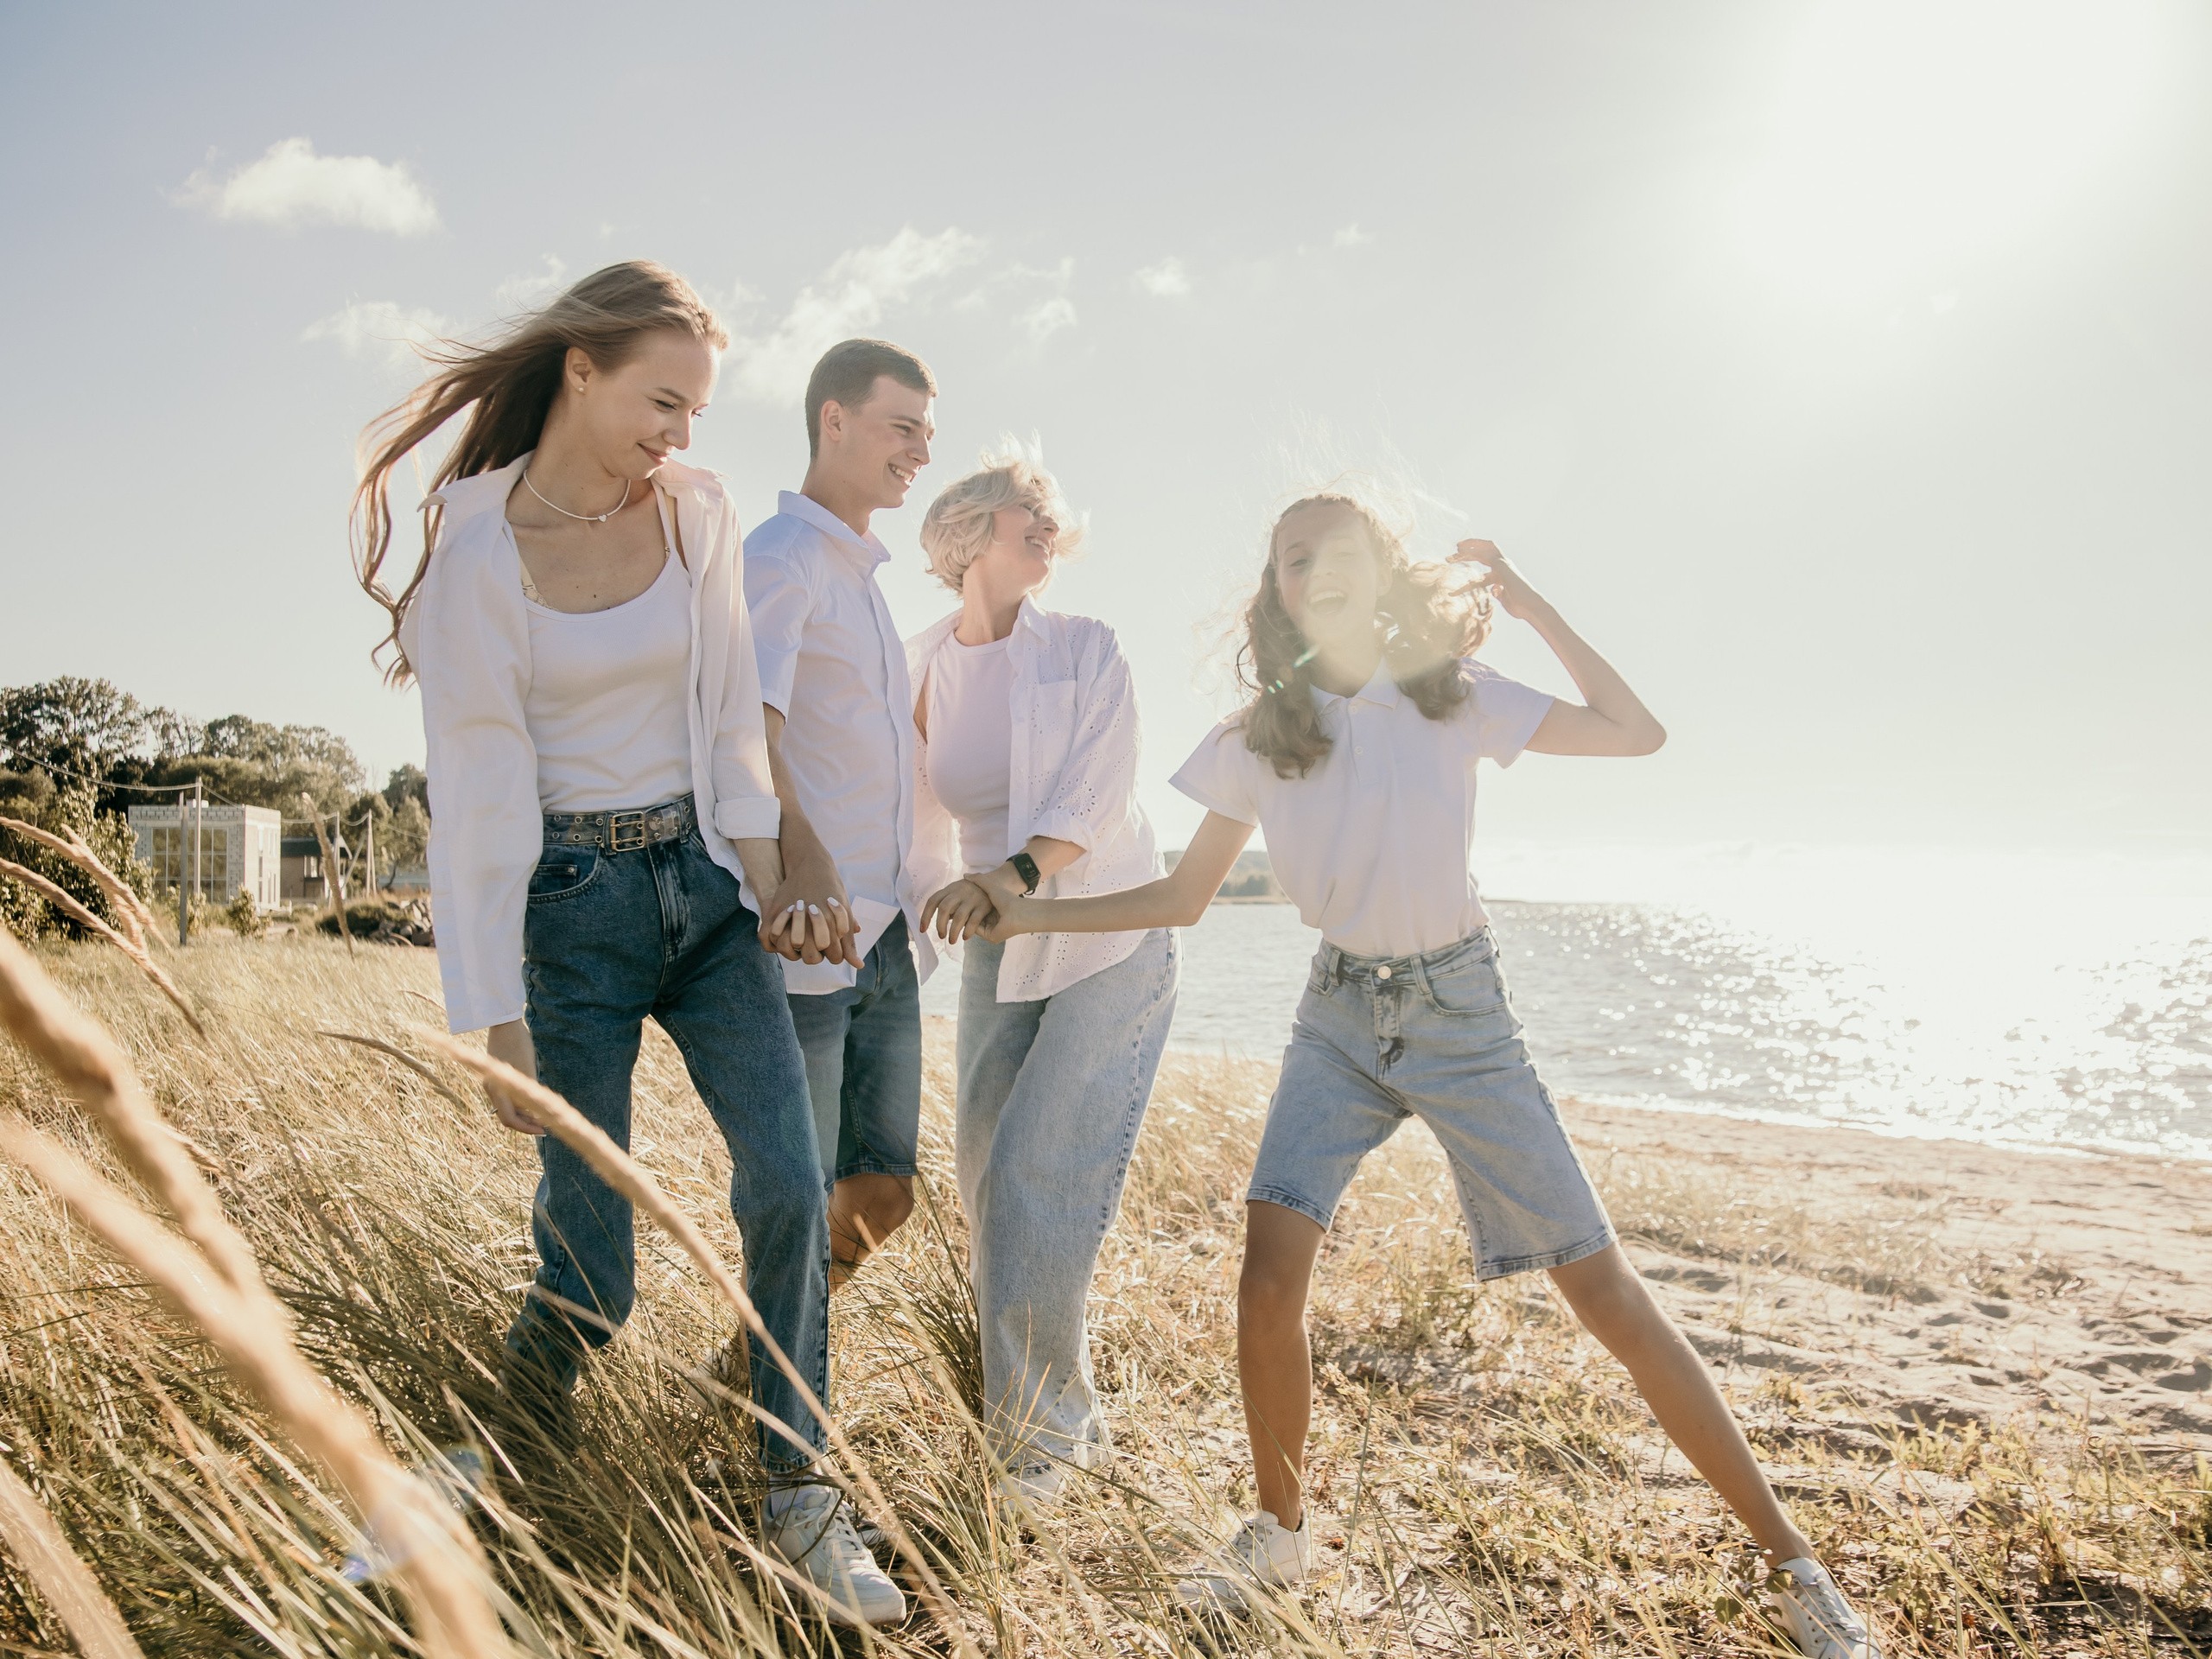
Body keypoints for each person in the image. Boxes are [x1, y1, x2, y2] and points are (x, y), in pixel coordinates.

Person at [973, 490, 1884, 1657]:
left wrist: (1526, 594)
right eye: (1295, 560)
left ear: (1385, 575)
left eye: (1341, 553)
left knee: (1604, 1293)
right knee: (1265, 1274)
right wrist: (1025, 901)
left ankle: (1795, 1567)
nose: (1319, 571)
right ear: (1279, 593)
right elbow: (1184, 900)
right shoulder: (1263, 736)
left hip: (1462, 1016)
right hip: (1339, 1016)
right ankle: (1279, 1536)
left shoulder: (1452, 700)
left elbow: (1635, 730)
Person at [353, 263, 903, 1627]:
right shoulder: (474, 550)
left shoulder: (697, 514)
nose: (684, 432)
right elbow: (477, 791)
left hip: (706, 898)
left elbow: (728, 724)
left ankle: (803, 1504)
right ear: (581, 369)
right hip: (568, 917)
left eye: (700, 408)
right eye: (665, 399)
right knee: (593, 1271)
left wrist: (776, 879)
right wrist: (493, 1011)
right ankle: (461, 1491)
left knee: (789, 1189)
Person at [908, 452, 1178, 1509]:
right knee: (986, 1181)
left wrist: (1011, 877)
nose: (1051, 533)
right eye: (1034, 516)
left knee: (1037, 1177)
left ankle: (1040, 1445)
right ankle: (1059, 1407)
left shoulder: (1085, 649)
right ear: (972, 531)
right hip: (994, 945)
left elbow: (1099, 789)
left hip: (1105, 935)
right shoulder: (920, 663)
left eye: (1057, 524)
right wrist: (921, 911)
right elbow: (913, 816)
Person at [742, 339, 938, 1290]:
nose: (921, 452)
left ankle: (757, 1360)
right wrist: (805, 864)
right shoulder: (782, 558)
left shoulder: (862, 579)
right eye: (903, 427)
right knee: (798, 1191)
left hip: (884, 931)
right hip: (813, 930)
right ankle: (778, 1408)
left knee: (885, 1189)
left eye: (926, 432)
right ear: (835, 419)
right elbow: (744, 728)